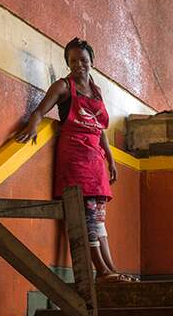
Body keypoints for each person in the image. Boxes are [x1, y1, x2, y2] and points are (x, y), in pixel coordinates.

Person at [17, 37, 135, 282]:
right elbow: (39, 111)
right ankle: (101, 271)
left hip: (95, 159)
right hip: (75, 156)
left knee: (99, 216)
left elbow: (99, 129)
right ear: (67, 63)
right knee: (87, 214)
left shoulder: (96, 90)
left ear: (92, 61)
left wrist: (111, 160)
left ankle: (111, 269)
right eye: (73, 61)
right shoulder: (63, 86)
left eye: (83, 60)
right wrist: (32, 125)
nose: (79, 65)